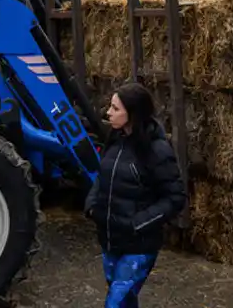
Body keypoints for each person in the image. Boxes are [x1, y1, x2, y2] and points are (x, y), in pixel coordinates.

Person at [84, 82, 187, 307]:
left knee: (115, 303)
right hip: (110, 240)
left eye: (115, 108)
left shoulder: (156, 150)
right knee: (125, 300)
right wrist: (92, 205)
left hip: (138, 246)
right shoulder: (115, 141)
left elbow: (175, 197)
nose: (108, 112)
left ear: (133, 114)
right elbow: (103, 176)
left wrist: (137, 223)